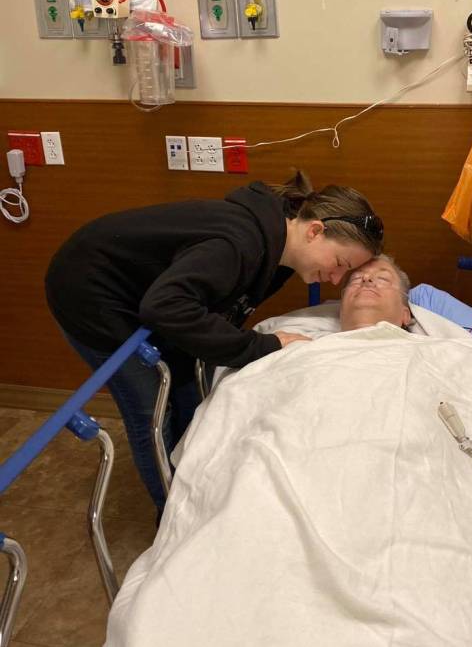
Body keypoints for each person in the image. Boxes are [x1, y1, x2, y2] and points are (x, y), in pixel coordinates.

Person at [44, 170, 384, 518]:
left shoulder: (280, 254)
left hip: (155, 293)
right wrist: (261, 346)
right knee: (152, 413)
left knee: (189, 389)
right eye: (341, 264)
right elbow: (165, 307)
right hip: (90, 291)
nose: (336, 280)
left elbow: (206, 308)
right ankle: (174, 520)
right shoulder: (237, 244)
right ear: (314, 231)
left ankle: (191, 484)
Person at [339, 254, 411, 332]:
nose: (366, 278)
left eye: (383, 278)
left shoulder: (424, 344)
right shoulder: (324, 343)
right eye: (356, 278)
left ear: (405, 315)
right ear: (341, 310)